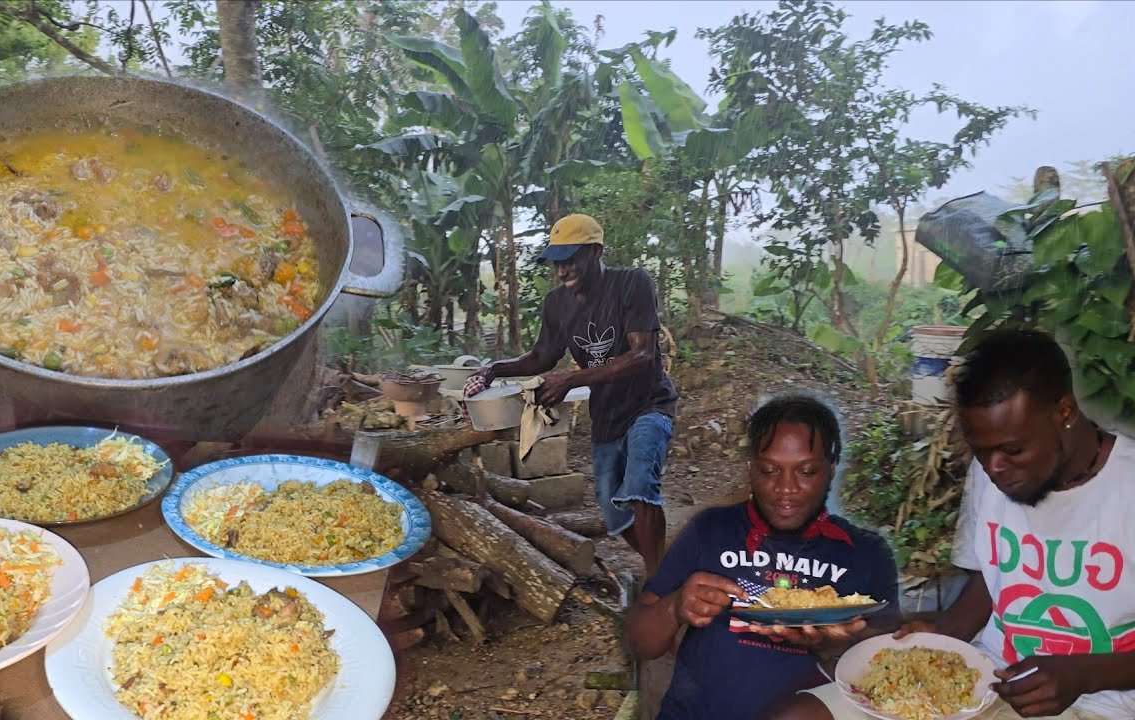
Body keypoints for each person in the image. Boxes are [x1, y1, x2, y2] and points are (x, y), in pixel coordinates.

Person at [766, 329, 1135, 720]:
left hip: (1098, 702)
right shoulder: (992, 469)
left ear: (1064, 412)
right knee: (797, 715)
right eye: (981, 451)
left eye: (1013, 450)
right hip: (989, 677)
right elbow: (992, 579)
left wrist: (1085, 672)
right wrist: (943, 630)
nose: (994, 469)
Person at [625, 393, 900, 719]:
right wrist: (675, 607)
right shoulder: (710, 530)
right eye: (770, 470)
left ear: (831, 469)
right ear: (751, 469)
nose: (786, 488)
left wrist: (832, 646)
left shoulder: (867, 555)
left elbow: (886, 673)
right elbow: (640, 644)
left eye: (807, 472)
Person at [465, 213, 678, 578]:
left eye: (570, 259)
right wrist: (493, 370)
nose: (563, 271)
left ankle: (658, 580)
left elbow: (642, 355)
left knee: (641, 484)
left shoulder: (631, 285)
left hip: (649, 404)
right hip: (607, 414)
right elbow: (541, 357)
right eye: (557, 263)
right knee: (613, 513)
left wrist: (570, 379)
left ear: (595, 252)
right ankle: (664, 567)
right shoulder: (556, 304)